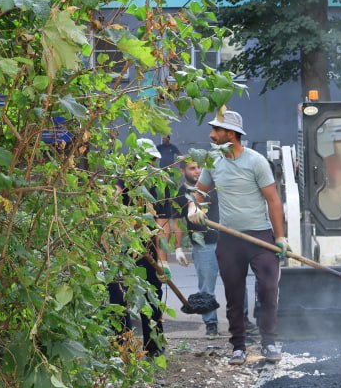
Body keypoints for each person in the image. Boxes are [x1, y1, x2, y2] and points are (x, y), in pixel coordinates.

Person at [191, 109, 289, 366]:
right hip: (230, 239)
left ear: (231, 134)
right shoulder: (213, 161)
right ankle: (238, 346)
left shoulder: (256, 162)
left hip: (260, 237)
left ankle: (269, 341)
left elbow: (273, 200)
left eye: (217, 131)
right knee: (234, 293)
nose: (211, 135)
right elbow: (199, 192)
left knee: (269, 288)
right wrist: (195, 208)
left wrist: (280, 238)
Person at [106, 138, 174, 358]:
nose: (150, 165)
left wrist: (162, 261)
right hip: (120, 247)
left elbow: (162, 224)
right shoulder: (121, 179)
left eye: (153, 161)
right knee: (117, 295)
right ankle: (123, 347)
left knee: (152, 294)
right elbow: (113, 203)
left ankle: (154, 346)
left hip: (148, 247)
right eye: (146, 160)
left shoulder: (158, 185)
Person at [176, 159, 221, 337]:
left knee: (235, 281)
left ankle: (242, 320)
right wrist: (178, 248)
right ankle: (211, 323)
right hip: (203, 245)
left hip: (225, 241)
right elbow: (178, 221)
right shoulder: (182, 192)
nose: (197, 171)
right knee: (206, 286)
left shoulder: (212, 187)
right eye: (192, 168)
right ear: (182, 171)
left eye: (199, 168)